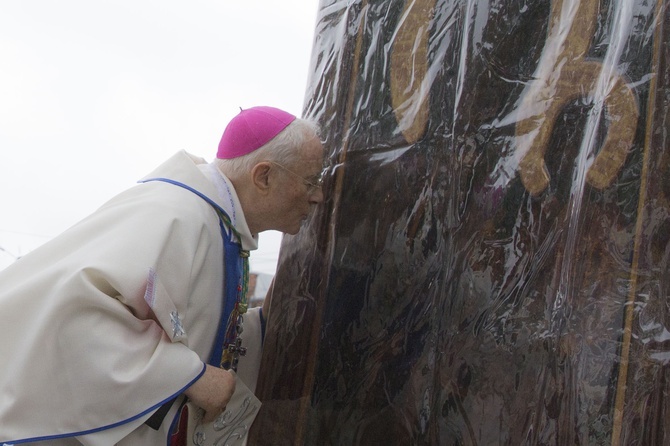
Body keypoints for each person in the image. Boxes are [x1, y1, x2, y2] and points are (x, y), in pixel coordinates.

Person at [0, 106, 325, 445]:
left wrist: (266, 327)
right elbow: (72, 322)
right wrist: (192, 377)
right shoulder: (175, 213)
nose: (318, 196)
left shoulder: (221, 228)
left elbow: (194, 338)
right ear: (264, 176)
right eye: (310, 181)